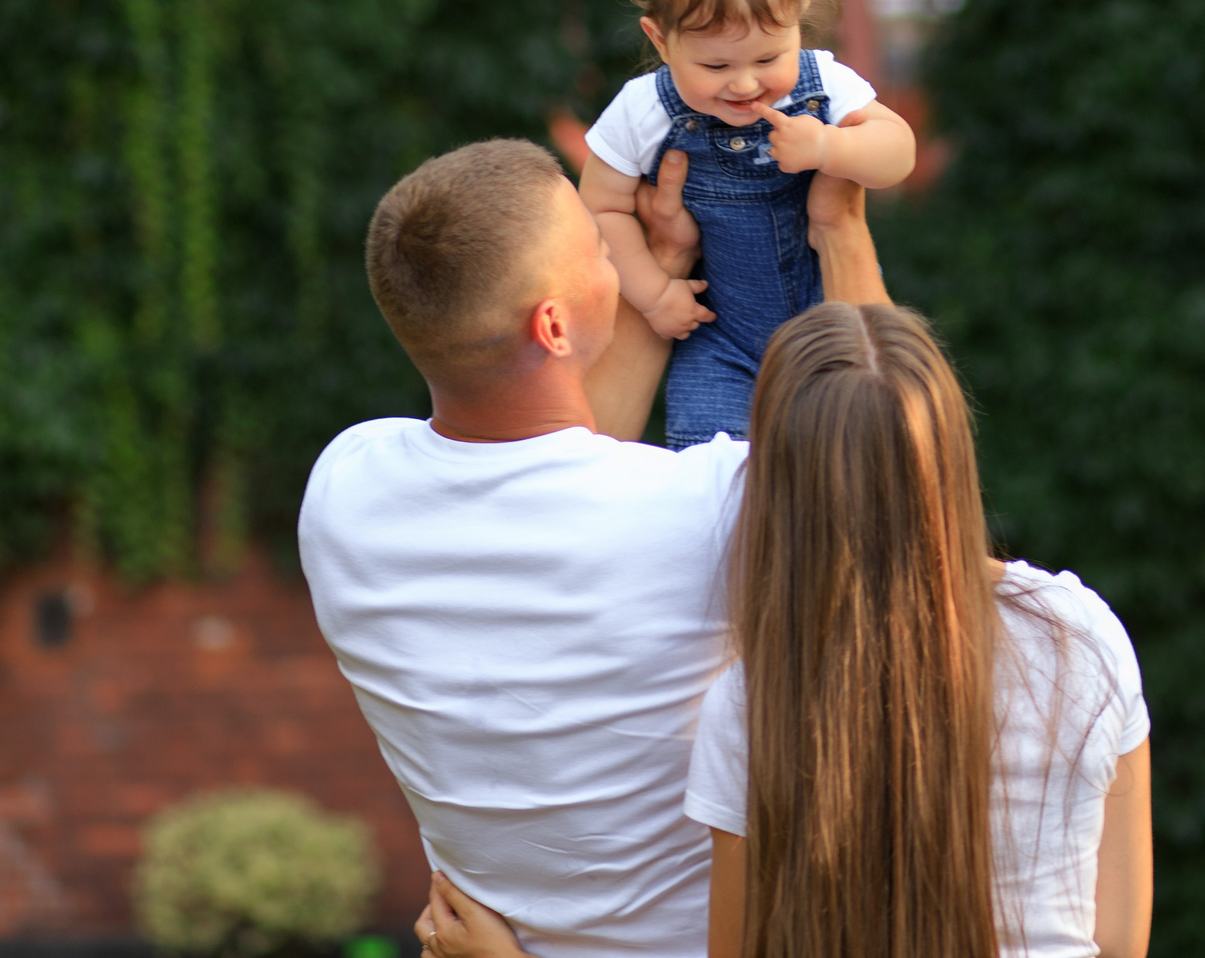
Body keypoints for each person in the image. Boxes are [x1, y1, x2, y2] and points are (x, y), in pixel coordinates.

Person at [298, 134, 887, 958]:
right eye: (595, 244)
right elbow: (887, 446)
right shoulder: (709, 509)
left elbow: (557, 466)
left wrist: (660, 271)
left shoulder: (342, 488)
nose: (615, 252)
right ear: (551, 321)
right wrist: (842, 229)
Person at [415, 305, 1154, 958]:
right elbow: (1119, 941)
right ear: (952, 457)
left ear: (775, 479)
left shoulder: (760, 704)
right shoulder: (1078, 636)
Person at [581, 0, 915, 447]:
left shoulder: (823, 86)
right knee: (710, 469)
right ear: (660, 40)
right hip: (720, 343)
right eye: (715, 65)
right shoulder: (644, 109)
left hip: (824, 326)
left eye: (767, 59)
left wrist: (831, 147)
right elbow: (600, 206)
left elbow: (897, 151)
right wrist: (654, 294)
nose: (743, 84)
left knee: (842, 455)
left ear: (799, 17)